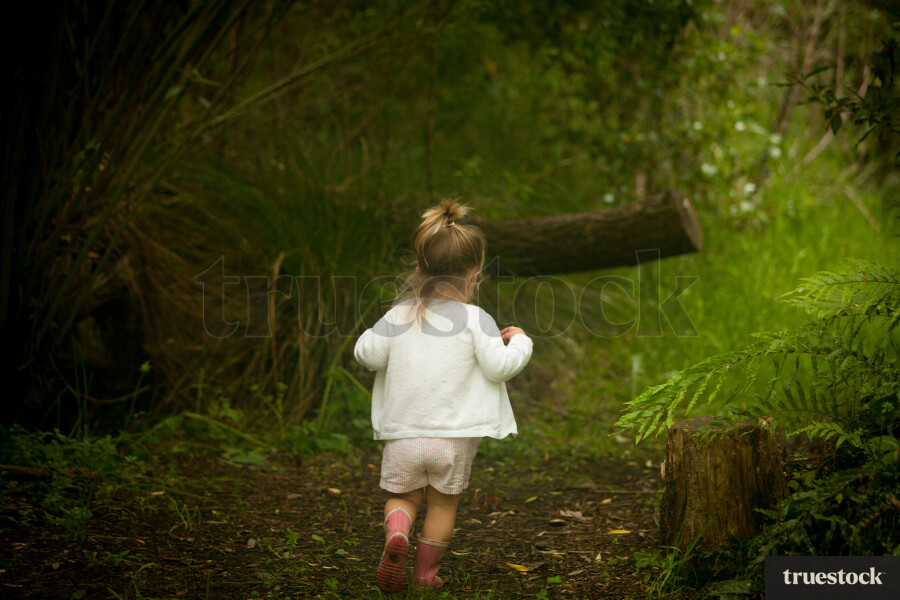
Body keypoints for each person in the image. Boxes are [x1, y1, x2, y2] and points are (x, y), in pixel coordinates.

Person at [354, 199, 533, 594]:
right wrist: (520, 341)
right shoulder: (476, 320)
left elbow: (367, 356)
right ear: (474, 278)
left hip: (404, 435)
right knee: (442, 506)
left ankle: (397, 533)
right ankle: (425, 576)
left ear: (420, 270)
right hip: (453, 440)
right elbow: (498, 367)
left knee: (402, 496)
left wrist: (375, 331)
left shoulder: (398, 315)